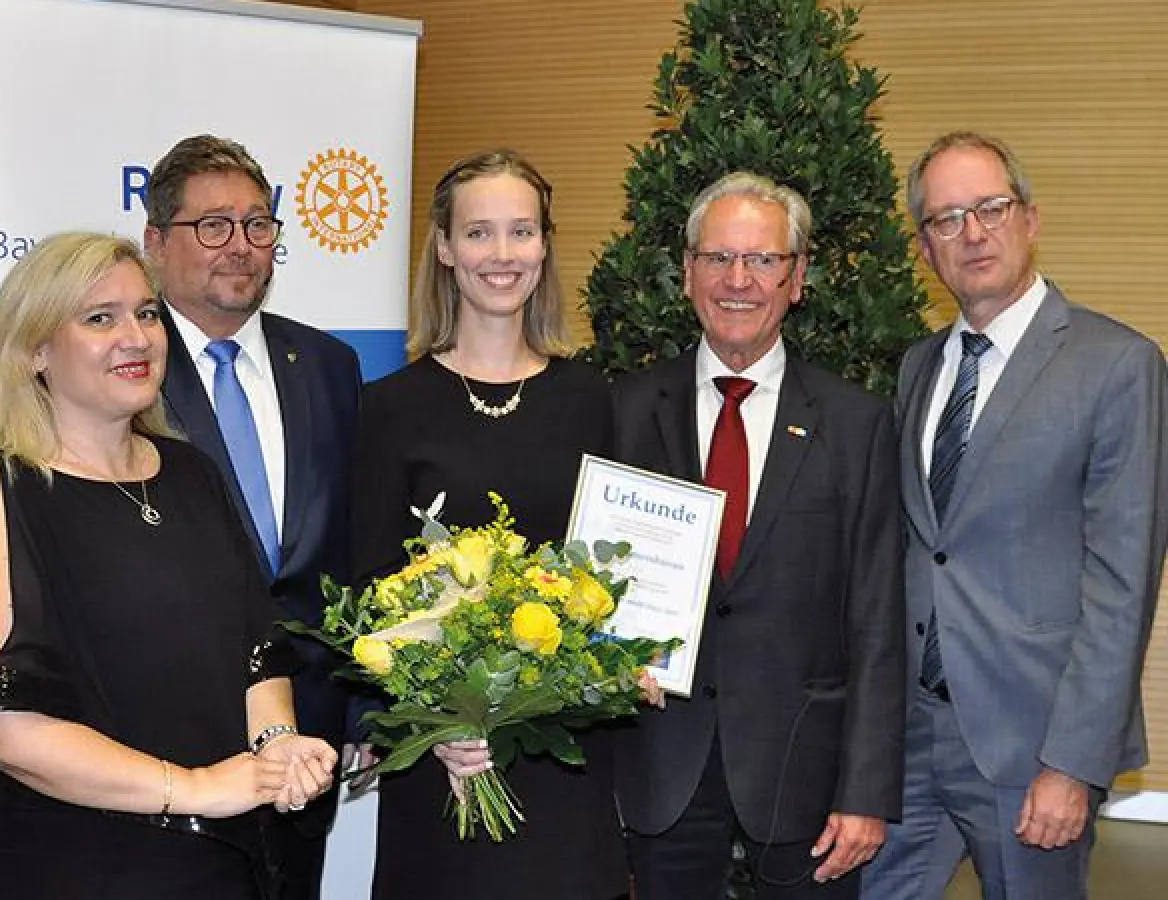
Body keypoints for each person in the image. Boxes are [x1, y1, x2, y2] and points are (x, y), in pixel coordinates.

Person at [0, 232, 337, 900]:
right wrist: (197, 788)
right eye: (100, 318)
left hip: (221, 859)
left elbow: (257, 653)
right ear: (36, 351)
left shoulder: (190, 473)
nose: (137, 336)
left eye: (146, 313)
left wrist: (277, 744)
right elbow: (0, 726)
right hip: (70, 864)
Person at [860, 132, 1168, 900]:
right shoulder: (918, 365)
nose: (973, 231)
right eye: (946, 218)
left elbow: (1122, 583)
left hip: (1033, 744)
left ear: (1030, 218)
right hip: (910, 739)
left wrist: (1072, 763)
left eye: (991, 208)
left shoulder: (1118, 365)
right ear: (925, 249)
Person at [610, 172, 905, 899]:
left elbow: (878, 620)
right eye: (717, 259)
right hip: (660, 769)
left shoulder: (855, 424)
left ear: (797, 278)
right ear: (686, 274)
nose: (737, 280)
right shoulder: (622, 409)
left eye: (763, 261)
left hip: (803, 772)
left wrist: (866, 790)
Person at [351, 148, 627, 900]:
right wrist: (435, 725)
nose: (502, 256)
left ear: (544, 245)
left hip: (564, 758)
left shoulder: (593, 400)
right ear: (443, 248)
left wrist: (637, 659)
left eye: (522, 232)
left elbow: (617, 580)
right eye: (479, 234)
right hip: (444, 766)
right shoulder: (388, 407)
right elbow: (369, 591)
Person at [142, 134, 362, 900]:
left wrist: (359, 708)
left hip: (310, 741)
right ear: (155, 242)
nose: (239, 246)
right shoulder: (123, 367)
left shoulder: (331, 367)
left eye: (257, 225)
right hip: (172, 746)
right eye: (213, 226)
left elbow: (349, 551)